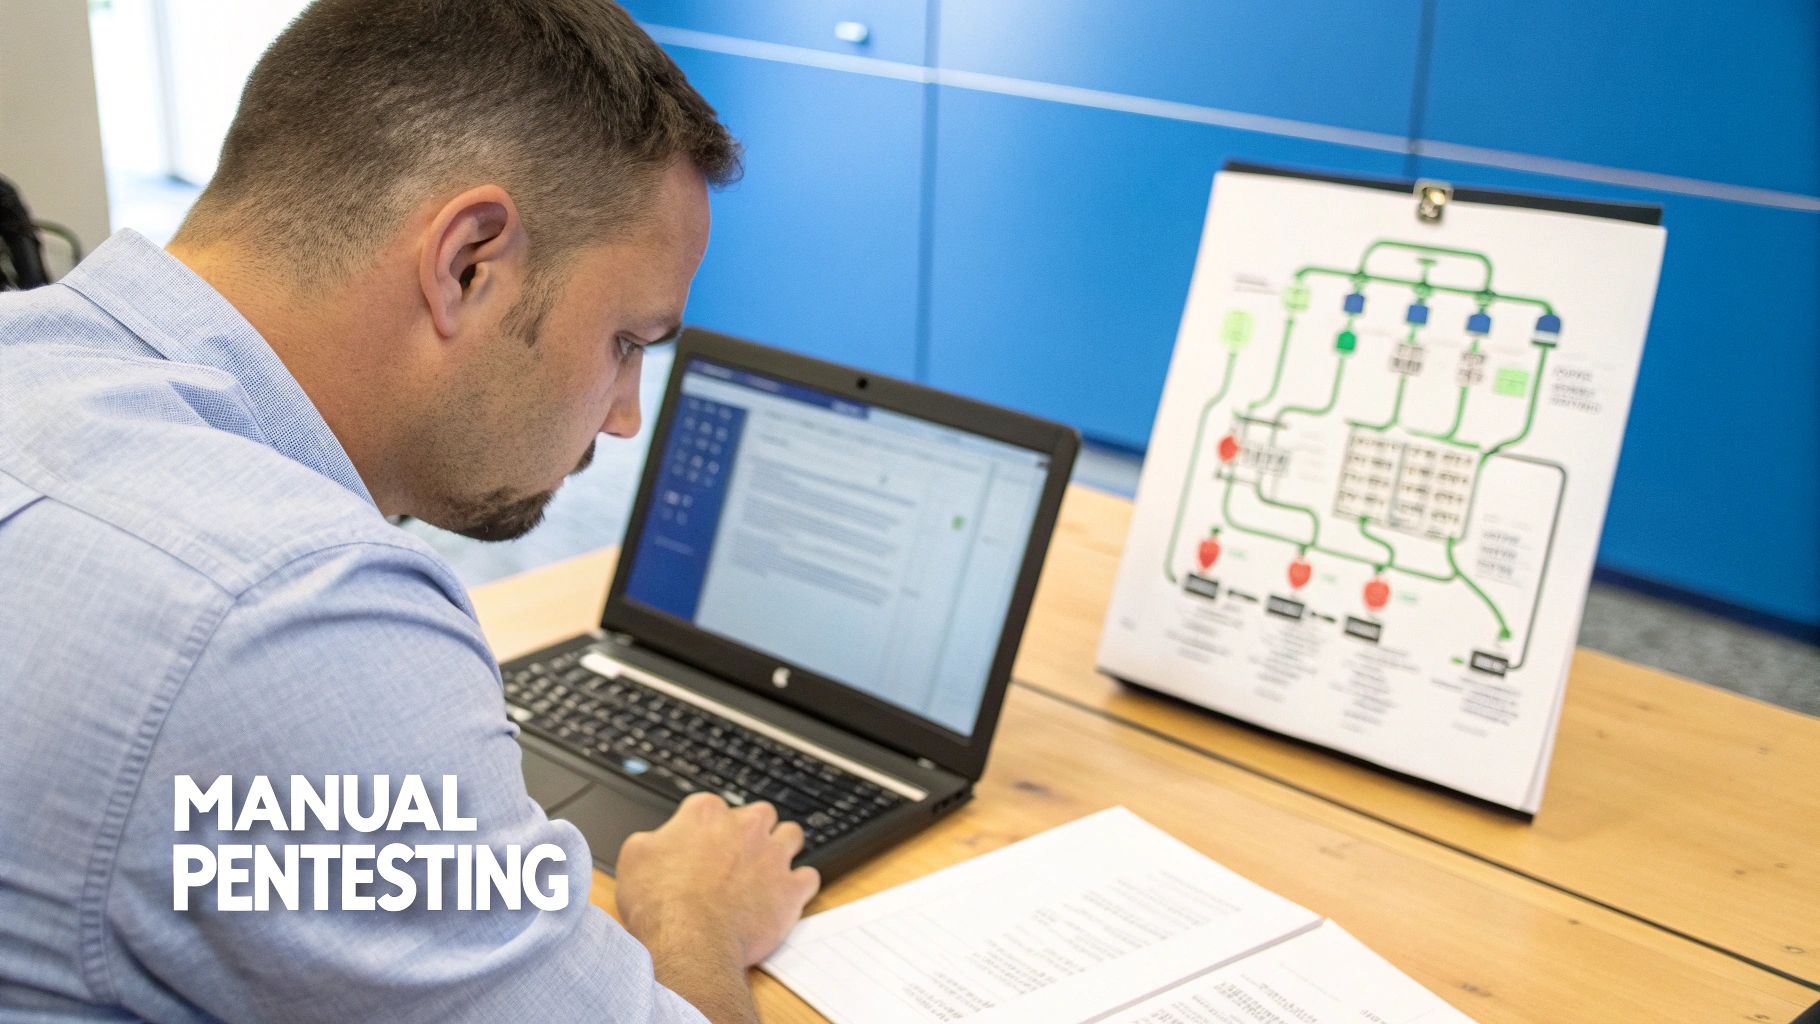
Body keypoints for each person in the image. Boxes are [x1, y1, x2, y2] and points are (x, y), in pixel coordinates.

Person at [0, 2, 819, 1021]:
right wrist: (696, 915)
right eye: (625, 341)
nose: (623, 417)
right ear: (467, 261)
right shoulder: (291, 614)